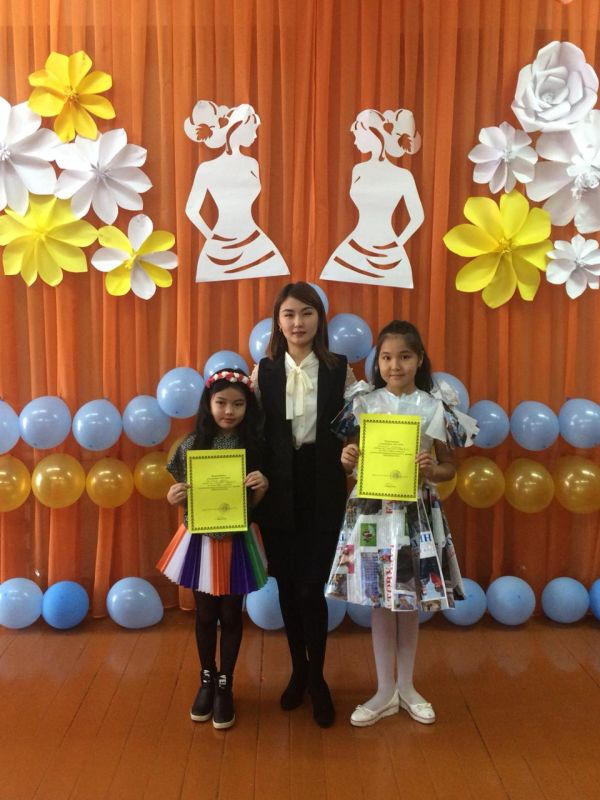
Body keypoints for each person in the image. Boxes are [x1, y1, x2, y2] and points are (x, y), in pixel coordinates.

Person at [326, 321, 477, 727]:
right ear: (377, 362)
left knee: (409, 601)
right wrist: (347, 459)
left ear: (420, 360)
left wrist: (432, 470)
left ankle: (407, 687)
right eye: (387, 357)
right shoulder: (364, 403)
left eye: (405, 357)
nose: (395, 366)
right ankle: (383, 690)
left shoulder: (433, 406)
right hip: (373, 513)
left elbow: (449, 467)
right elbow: (349, 459)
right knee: (381, 601)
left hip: (416, 514)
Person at [252, 282, 352, 727]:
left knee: (313, 587)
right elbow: (250, 428)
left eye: (307, 313)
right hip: (278, 487)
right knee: (289, 588)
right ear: (278, 321)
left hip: (323, 482)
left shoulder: (340, 369)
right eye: (289, 314)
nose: (298, 323)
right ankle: (298, 671)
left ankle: (318, 678)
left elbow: (359, 424)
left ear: (319, 319)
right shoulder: (264, 370)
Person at [156, 369, 269, 729]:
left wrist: (262, 489)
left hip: (237, 540)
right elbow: (182, 491)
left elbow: (254, 506)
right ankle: (206, 678)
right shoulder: (191, 445)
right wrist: (174, 496)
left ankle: (225, 684)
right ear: (208, 403)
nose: (229, 411)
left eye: (238, 404)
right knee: (205, 614)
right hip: (201, 541)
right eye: (221, 402)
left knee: (231, 615)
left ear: (248, 407)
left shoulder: (255, 446)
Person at [184, 100, 290, 282]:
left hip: (253, 241)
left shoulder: (252, 164)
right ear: (238, 127)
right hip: (221, 243)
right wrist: (212, 237)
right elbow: (191, 210)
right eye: (252, 129)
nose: (255, 136)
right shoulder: (207, 168)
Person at [319, 108, 424, 288]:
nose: (355, 142)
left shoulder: (403, 175)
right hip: (356, 245)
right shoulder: (358, 170)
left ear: (372, 133)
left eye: (358, 135)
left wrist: (397, 244)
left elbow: (418, 216)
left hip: (388, 249)